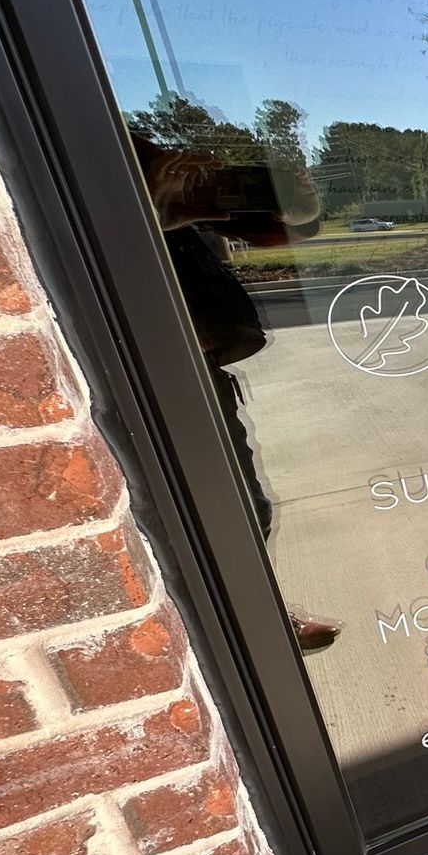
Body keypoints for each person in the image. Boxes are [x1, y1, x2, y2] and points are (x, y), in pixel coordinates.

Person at [130, 128, 343, 652]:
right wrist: (148, 207)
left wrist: (300, 205)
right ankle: (235, 625)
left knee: (245, 507)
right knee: (205, 513)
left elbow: (287, 230)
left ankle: (255, 612)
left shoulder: (188, 214)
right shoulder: (121, 200)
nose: (183, 177)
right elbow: (106, 266)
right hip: (150, 377)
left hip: (199, 370)